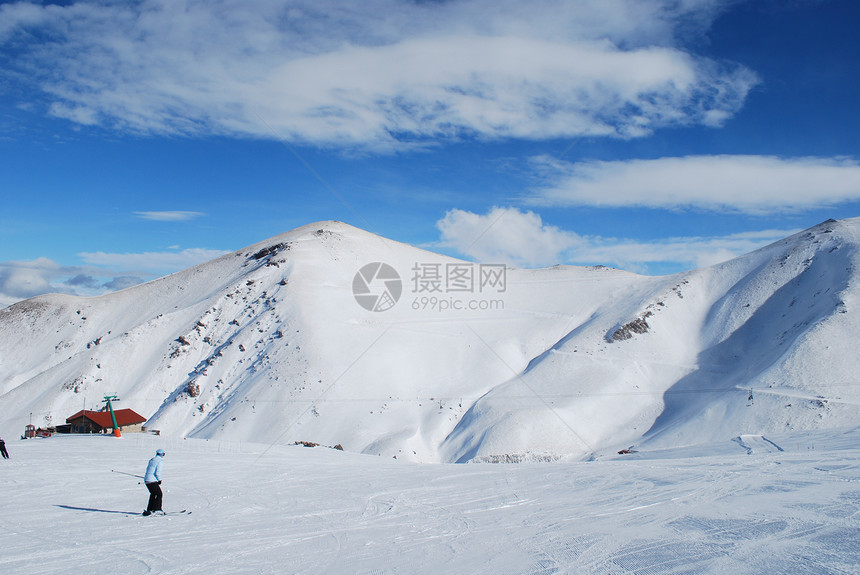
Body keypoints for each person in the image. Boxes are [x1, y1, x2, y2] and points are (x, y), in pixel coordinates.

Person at [142, 449, 165, 516]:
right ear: (162, 454)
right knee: (159, 494)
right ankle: (157, 509)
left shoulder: (152, 460)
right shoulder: (160, 461)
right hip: (152, 480)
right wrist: (159, 480)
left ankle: (150, 509)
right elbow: (158, 472)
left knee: (153, 494)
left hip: (147, 479)